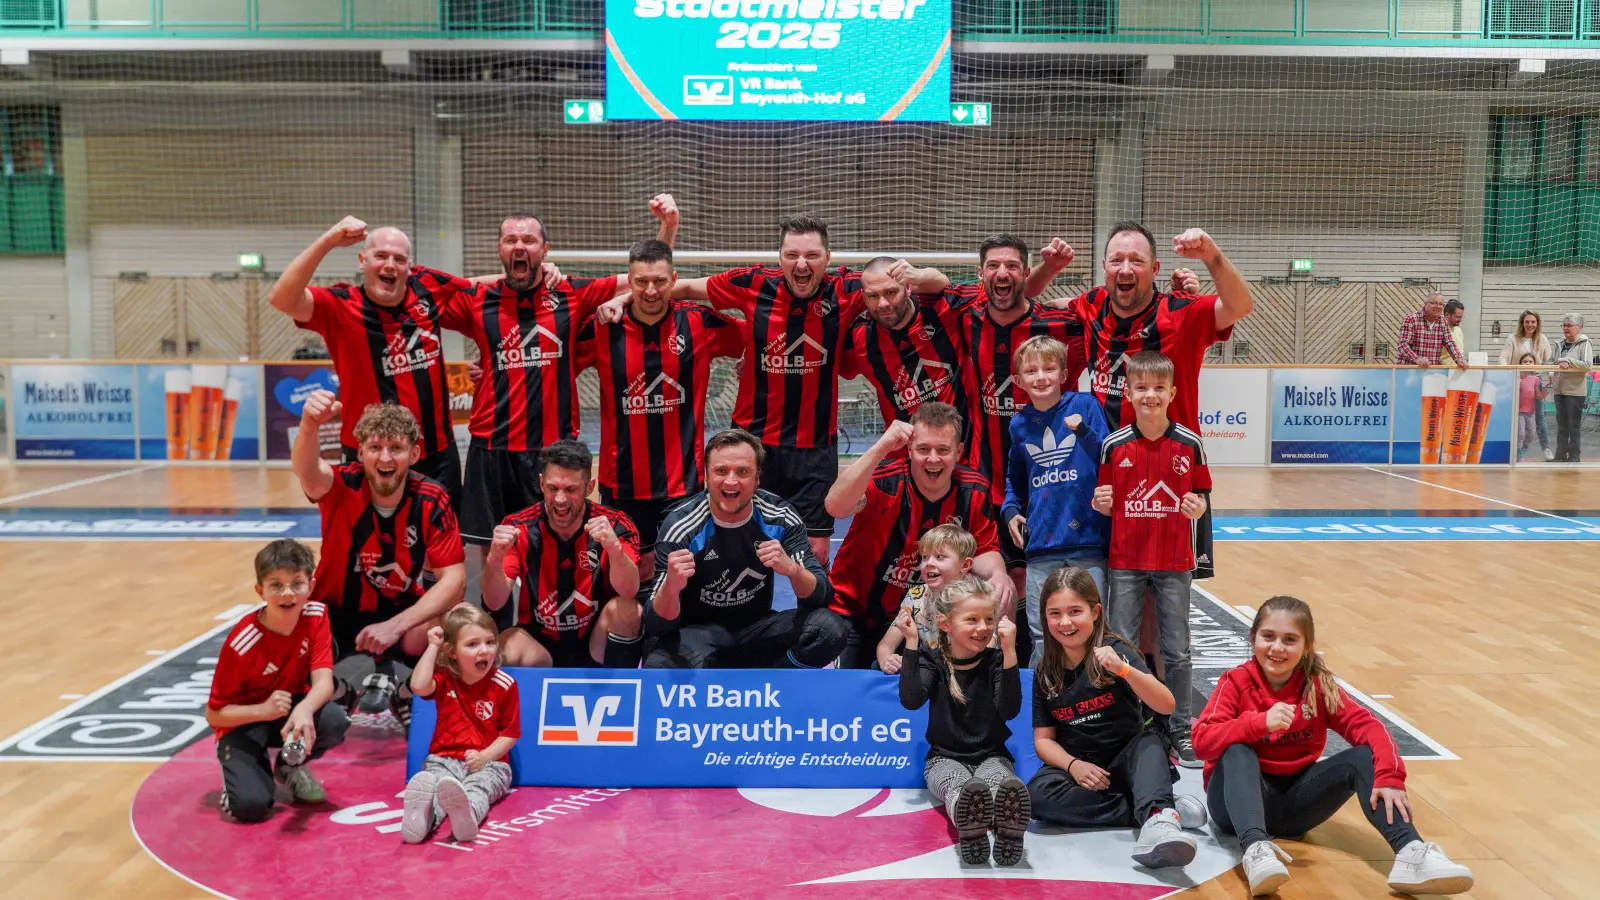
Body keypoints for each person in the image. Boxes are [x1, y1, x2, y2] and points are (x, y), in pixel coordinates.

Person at [672, 215, 949, 565]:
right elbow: (684, 289)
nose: (802, 264)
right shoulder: (753, 282)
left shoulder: (850, 290)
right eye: (792, 255)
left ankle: (813, 620)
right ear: (780, 258)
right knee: (736, 542)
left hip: (815, 446)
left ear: (828, 257)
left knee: (815, 552)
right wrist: (625, 299)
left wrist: (920, 275)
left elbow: (934, 286)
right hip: (753, 442)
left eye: (812, 255)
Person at [1193, 596, 1475, 896]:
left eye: (1290, 640)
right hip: (1232, 809)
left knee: (1362, 758)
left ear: (1306, 647)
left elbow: (1370, 728)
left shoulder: (1317, 686)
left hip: (1293, 809)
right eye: (1268, 637)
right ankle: (1255, 851)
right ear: (1253, 639)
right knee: (1237, 749)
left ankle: (1411, 851)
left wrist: (1390, 776)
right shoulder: (1235, 682)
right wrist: (1257, 724)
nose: (1277, 648)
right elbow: (1202, 743)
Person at [444, 196, 676, 557]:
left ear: (545, 249)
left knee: (556, 546)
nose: (519, 246)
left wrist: (669, 227)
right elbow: (431, 293)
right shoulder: (479, 300)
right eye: (511, 241)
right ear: (499, 249)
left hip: (552, 452)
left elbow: (646, 276)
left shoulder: (568, 292)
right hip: (490, 449)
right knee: (483, 548)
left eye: (529, 241)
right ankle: (485, 614)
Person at [1055, 223, 1249, 581]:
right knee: (1105, 592)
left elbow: (1240, 305)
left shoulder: (1181, 313)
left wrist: (1212, 257)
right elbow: (1046, 308)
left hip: (1169, 480)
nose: (1125, 269)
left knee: (1162, 605)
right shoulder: (1091, 305)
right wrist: (1046, 272)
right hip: (1107, 478)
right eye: (1117, 260)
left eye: (1136, 261)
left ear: (1155, 269)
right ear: (1104, 267)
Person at [269, 218, 475, 507]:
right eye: (381, 256)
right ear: (362, 261)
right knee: (367, 547)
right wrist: (327, 239)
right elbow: (281, 299)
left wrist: (540, 272)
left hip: (436, 455)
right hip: (368, 458)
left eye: (399, 259)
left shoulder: (427, 289)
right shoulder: (339, 306)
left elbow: (474, 288)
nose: (390, 264)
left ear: (409, 267)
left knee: (443, 548)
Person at [293, 390, 466, 732]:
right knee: (288, 628)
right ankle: (340, 691)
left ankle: (405, 693)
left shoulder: (432, 498)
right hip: (334, 613)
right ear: (360, 453)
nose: (385, 457)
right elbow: (307, 470)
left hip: (398, 613)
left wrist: (394, 627)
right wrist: (309, 425)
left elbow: (454, 580)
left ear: (414, 454)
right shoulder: (341, 485)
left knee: (452, 623)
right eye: (375, 448)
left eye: (396, 448)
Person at [575, 239, 745, 580]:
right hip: (621, 481)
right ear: (629, 280)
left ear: (673, 280)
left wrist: (748, 360)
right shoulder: (603, 328)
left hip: (682, 481)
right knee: (626, 576)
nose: (650, 290)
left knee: (682, 575)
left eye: (659, 281)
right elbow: (554, 365)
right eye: (641, 282)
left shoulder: (698, 322)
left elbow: (760, 337)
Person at [1026, 567, 1203, 869]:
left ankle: (1158, 821)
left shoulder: (1116, 651)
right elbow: (1043, 741)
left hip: (1129, 759)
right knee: (1036, 798)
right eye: (1055, 614)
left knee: (1149, 742)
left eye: (1075, 611)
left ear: (1095, 612)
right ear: (1045, 617)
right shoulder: (1045, 670)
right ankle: (1156, 808)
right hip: (1082, 769)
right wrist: (1073, 765)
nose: (1065, 622)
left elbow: (1166, 705)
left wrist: (1124, 671)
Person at [825, 403, 1014, 669]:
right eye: (923, 449)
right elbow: (835, 506)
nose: (933, 459)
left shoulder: (973, 490)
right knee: (844, 691)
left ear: (959, 453)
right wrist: (880, 448)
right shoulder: (885, 480)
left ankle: (996, 674)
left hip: (921, 620)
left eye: (943, 450)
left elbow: (983, 550)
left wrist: (998, 574)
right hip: (853, 613)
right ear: (909, 450)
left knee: (1004, 587)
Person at [642, 429, 846, 669]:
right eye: (721, 471)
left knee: (829, 630)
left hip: (757, 630)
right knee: (659, 664)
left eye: (742, 472)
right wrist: (671, 587)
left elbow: (821, 595)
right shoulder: (681, 526)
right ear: (707, 476)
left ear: (757, 478)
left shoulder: (780, 517)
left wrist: (792, 570)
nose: (731, 481)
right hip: (698, 635)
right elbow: (657, 624)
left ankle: (773, 684)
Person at [1092, 351, 1209, 768]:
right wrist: (1100, 503)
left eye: (1159, 388)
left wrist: (1196, 507)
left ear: (1172, 392)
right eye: (1141, 387)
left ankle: (1180, 726)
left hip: (1175, 561)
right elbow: (1103, 501)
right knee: (1121, 645)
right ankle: (1131, 721)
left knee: (1176, 648)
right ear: (1128, 392)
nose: (1150, 395)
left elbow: (1201, 498)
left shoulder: (1190, 444)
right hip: (1125, 561)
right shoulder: (1113, 445)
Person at [206, 539, 350, 823]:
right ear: (261, 591)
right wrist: (263, 710)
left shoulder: (316, 616)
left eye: (297, 583)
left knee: (334, 719)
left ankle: (289, 766)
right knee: (251, 807)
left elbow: (324, 682)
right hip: (245, 724)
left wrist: (305, 708)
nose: (288, 593)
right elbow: (214, 715)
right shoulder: (242, 643)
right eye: (276, 585)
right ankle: (238, 779)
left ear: (311, 585)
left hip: (285, 715)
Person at [896, 577, 1029, 866]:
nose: (982, 628)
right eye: (972, 620)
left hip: (992, 754)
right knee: (958, 786)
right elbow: (911, 700)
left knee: (1000, 782)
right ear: (945, 624)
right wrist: (911, 643)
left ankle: (1007, 825)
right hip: (943, 758)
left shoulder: (996, 660)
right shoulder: (933, 660)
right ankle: (971, 826)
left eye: (988, 619)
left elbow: (1009, 710)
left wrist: (1009, 653)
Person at [480, 440, 643, 668]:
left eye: (571, 490)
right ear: (540, 484)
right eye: (552, 488)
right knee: (506, 646)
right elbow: (494, 602)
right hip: (540, 645)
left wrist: (614, 550)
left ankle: (620, 693)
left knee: (629, 610)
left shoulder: (616, 525)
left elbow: (629, 590)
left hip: (595, 643)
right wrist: (494, 559)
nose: (560, 500)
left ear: (589, 488)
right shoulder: (519, 527)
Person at [1000, 335, 1111, 664]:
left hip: (1088, 541)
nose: (1041, 377)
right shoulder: (1019, 424)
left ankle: (1097, 705)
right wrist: (1009, 511)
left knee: (1093, 631)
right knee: (1041, 633)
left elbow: (1109, 456)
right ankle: (1040, 708)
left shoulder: (1085, 405)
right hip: (1042, 545)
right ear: (1019, 381)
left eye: (1049, 369)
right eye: (1032, 371)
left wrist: (1083, 432)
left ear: (1063, 374)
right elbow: (1014, 479)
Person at [402, 605, 520, 845]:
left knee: (478, 789)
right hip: (444, 759)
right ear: (452, 651)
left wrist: (485, 756)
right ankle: (423, 819)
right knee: (434, 784)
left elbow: (510, 734)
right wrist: (433, 646)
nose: (484, 651)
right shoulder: (445, 678)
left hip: (491, 764)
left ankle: (467, 818)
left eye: (490, 642)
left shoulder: (504, 685)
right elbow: (419, 686)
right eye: (472, 644)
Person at [842, 256, 972, 442]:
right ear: (863, 297)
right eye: (873, 296)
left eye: (891, 292)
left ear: (909, 288)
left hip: (961, 450)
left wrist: (923, 274)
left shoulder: (941, 310)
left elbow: (943, 283)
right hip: (905, 458)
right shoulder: (858, 340)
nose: (883, 304)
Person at [875, 524, 976, 674]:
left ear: (965, 564)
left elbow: (989, 648)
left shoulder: (978, 599)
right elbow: (886, 644)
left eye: (939, 557)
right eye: (925, 557)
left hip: (966, 672)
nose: (929, 563)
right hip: (929, 671)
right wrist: (886, 660)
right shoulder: (915, 596)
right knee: (875, 666)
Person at [1499, 310, 1554, 461]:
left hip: (1536, 381)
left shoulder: (1542, 339)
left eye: (1533, 322)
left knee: (1540, 417)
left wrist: (1550, 374)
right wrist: (1505, 372)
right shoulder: (1513, 338)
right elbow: (1504, 357)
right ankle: (1513, 452)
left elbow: (1549, 359)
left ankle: (1546, 448)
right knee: (1517, 418)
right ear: (1522, 323)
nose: (1530, 325)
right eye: (1527, 322)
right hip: (1518, 382)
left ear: (1537, 323)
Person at [1553, 313, 1593, 463]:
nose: (1565, 328)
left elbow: (1587, 365)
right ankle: (1560, 455)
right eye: (1564, 325)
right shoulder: (1559, 343)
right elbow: (1552, 361)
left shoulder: (1585, 343)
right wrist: (1558, 363)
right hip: (1559, 390)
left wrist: (1567, 360)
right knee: (1562, 426)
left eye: (1569, 325)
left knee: (1573, 426)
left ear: (1579, 328)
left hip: (1575, 391)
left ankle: (1574, 455)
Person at [1396, 292, 1467, 369]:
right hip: (1408, 371)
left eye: (1441, 304)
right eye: (1434, 303)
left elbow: (1449, 343)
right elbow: (1403, 345)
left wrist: (1459, 359)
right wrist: (1417, 359)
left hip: (1430, 371)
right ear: (1426, 304)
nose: (1438, 306)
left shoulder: (1443, 323)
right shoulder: (1412, 319)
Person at [1517, 354, 1549, 460]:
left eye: (1530, 362)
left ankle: (1522, 450)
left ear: (1534, 364)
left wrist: (1542, 395)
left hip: (1531, 412)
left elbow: (1537, 395)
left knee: (1531, 434)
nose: (1528, 363)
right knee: (1520, 434)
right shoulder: (1517, 377)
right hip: (1519, 412)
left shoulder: (1535, 379)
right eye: (1525, 361)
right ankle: (1518, 455)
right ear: (1520, 363)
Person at [1441, 298, 1467, 364]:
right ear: (1447, 315)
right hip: (1443, 370)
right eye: (1457, 317)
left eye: (1461, 317)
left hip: (1458, 369)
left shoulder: (1459, 330)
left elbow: (1461, 351)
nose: (1460, 319)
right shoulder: (1439, 330)